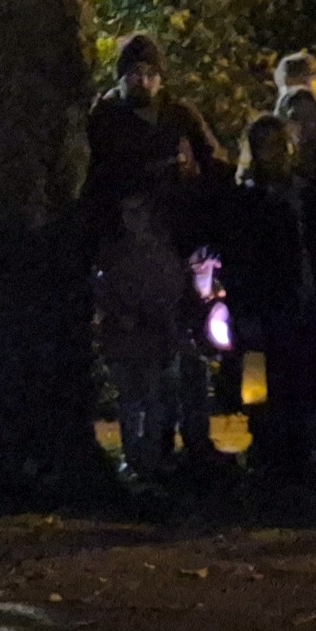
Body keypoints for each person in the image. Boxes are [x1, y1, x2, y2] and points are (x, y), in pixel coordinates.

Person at [84, 33, 231, 477]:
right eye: (135, 74)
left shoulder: (179, 115)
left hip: (181, 245)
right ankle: (153, 447)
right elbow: (99, 182)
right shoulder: (106, 119)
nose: (143, 82)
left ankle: (196, 440)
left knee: (190, 350)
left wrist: (204, 203)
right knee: (149, 355)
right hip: (133, 248)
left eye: (151, 73)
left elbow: (215, 164)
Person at [218, 114, 316, 480]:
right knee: (262, 383)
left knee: (300, 377)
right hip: (266, 303)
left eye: (281, 144)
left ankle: (298, 452)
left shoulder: (305, 193)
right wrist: (242, 308)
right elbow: (239, 258)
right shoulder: (246, 199)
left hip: (303, 299)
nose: (277, 153)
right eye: (267, 146)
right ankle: (267, 451)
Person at [94, 190, 189, 484]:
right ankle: (134, 459)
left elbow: (171, 289)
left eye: (138, 212)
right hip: (125, 339)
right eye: (127, 213)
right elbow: (104, 291)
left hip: (152, 337)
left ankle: (151, 459)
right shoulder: (115, 254)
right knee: (130, 402)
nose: (132, 219)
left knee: (153, 400)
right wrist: (120, 313)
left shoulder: (160, 252)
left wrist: (152, 315)